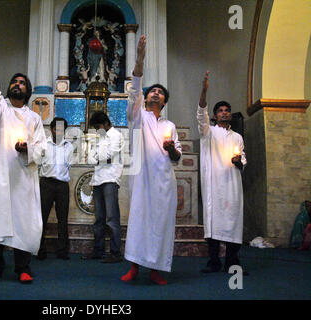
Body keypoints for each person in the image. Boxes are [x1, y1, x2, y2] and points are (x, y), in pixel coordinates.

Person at [0, 14, 46, 284]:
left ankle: (22, 268)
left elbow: (42, 149)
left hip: (22, 179)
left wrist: (26, 148)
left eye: (22, 83)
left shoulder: (34, 119)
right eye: (14, 81)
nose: (17, 84)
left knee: (22, 223)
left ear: (27, 91)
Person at [121, 35, 182, 285]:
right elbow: (135, 89)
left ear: (164, 101)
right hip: (142, 180)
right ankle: (134, 268)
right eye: (152, 91)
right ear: (145, 99)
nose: (155, 94)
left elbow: (177, 156)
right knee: (139, 222)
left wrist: (171, 149)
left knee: (160, 225)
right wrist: (140, 60)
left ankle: (156, 270)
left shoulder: (170, 125)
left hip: (164, 183)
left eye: (160, 92)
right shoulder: (137, 117)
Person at [197, 71, 248, 274]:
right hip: (213, 184)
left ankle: (232, 263)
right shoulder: (208, 132)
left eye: (227, 110)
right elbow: (201, 113)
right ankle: (213, 262)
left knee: (233, 221)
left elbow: (243, 158)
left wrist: (238, 161)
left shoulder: (237, 137)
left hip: (233, 184)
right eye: (220, 110)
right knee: (213, 221)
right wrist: (204, 91)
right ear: (215, 115)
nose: (224, 113)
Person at [82, 111, 124, 263]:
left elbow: (107, 155)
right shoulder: (100, 136)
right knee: (99, 218)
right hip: (98, 179)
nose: (98, 130)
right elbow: (92, 158)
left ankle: (115, 253)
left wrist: (98, 158)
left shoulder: (117, 135)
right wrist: (98, 158)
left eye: (99, 126)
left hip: (111, 179)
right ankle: (98, 250)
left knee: (112, 218)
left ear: (106, 123)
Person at [37, 117, 73, 260]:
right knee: (42, 218)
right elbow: (39, 163)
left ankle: (62, 251)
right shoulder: (44, 145)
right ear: (51, 129)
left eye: (61, 129)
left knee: (62, 219)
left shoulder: (68, 146)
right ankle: (40, 249)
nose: (59, 131)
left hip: (62, 186)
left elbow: (69, 165)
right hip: (46, 184)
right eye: (56, 128)